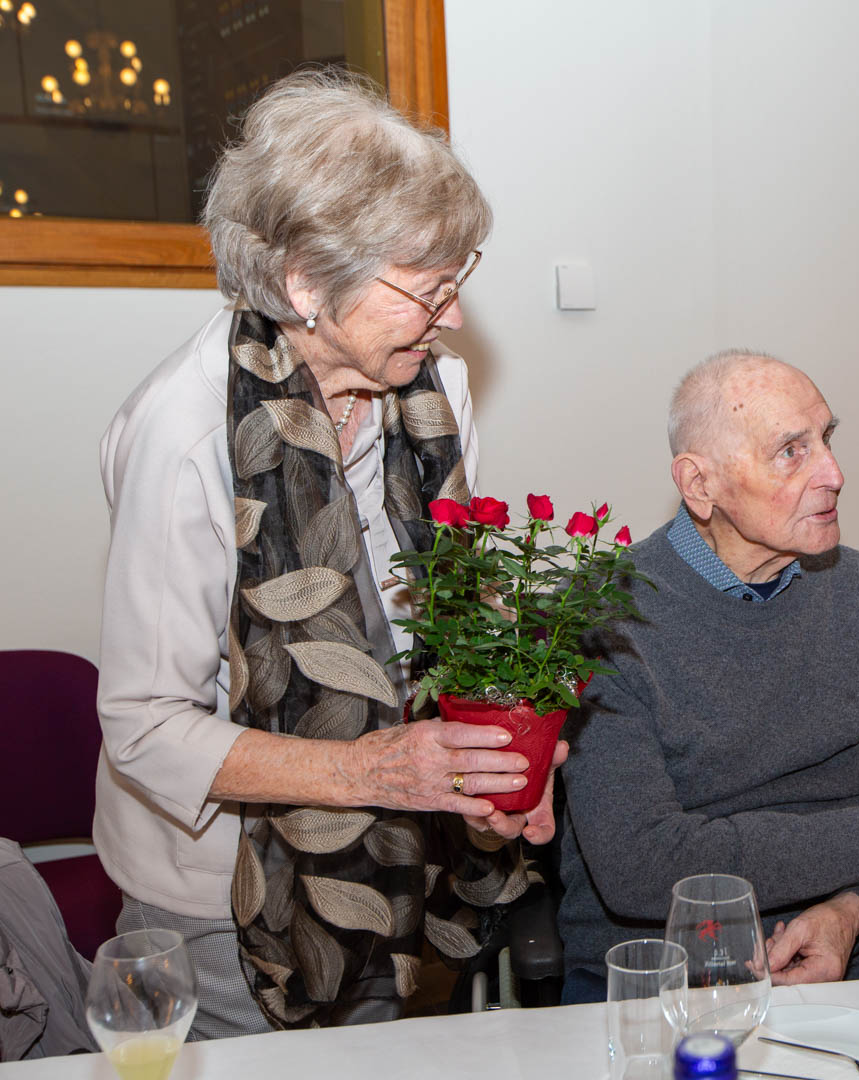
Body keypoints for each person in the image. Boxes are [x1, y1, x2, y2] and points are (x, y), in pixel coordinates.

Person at [96, 70, 559, 1037]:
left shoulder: (431, 396)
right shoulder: (184, 437)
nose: (455, 319)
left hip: (394, 864)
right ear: (307, 283)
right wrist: (373, 775)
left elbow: (450, 613)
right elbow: (143, 725)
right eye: (429, 289)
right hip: (225, 894)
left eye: (458, 282)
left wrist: (504, 759)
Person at [556, 350, 859, 1002]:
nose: (834, 473)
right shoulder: (607, 615)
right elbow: (639, 864)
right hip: (669, 986)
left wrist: (852, 914)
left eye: (826, 439)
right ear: (700, 485)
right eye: (790, 452)